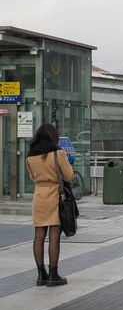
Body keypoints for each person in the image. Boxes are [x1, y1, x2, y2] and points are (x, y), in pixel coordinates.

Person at [26, 123, 74, 287]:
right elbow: (69, 176)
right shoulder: (58, 153)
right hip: (55, 194)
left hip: (39, 195)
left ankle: (41, 275)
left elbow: (33, 177)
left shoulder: (31, 156)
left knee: (39, 235)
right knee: (54, 236)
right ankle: (53, 275)